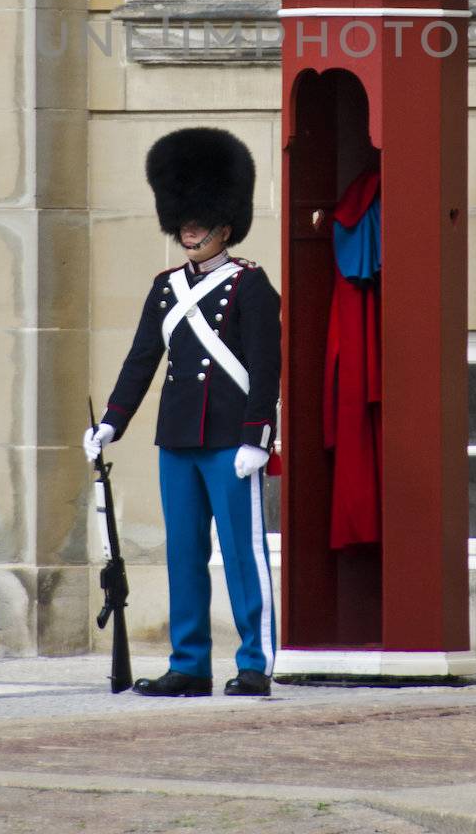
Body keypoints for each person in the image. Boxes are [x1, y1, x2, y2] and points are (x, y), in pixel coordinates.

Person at [84, 127, 281, 697]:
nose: (189, 229)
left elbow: (266, 369)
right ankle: (190, 663)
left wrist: (256, 437)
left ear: (225, 225)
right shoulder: (166, 288)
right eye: (184, 220)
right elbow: (142, 359)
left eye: (199, 221)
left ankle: (253, 664)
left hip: (230, 441)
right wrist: (111, 424)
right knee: (184, 555)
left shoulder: (251, 286)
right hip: (178, 441)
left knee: (243, 557)